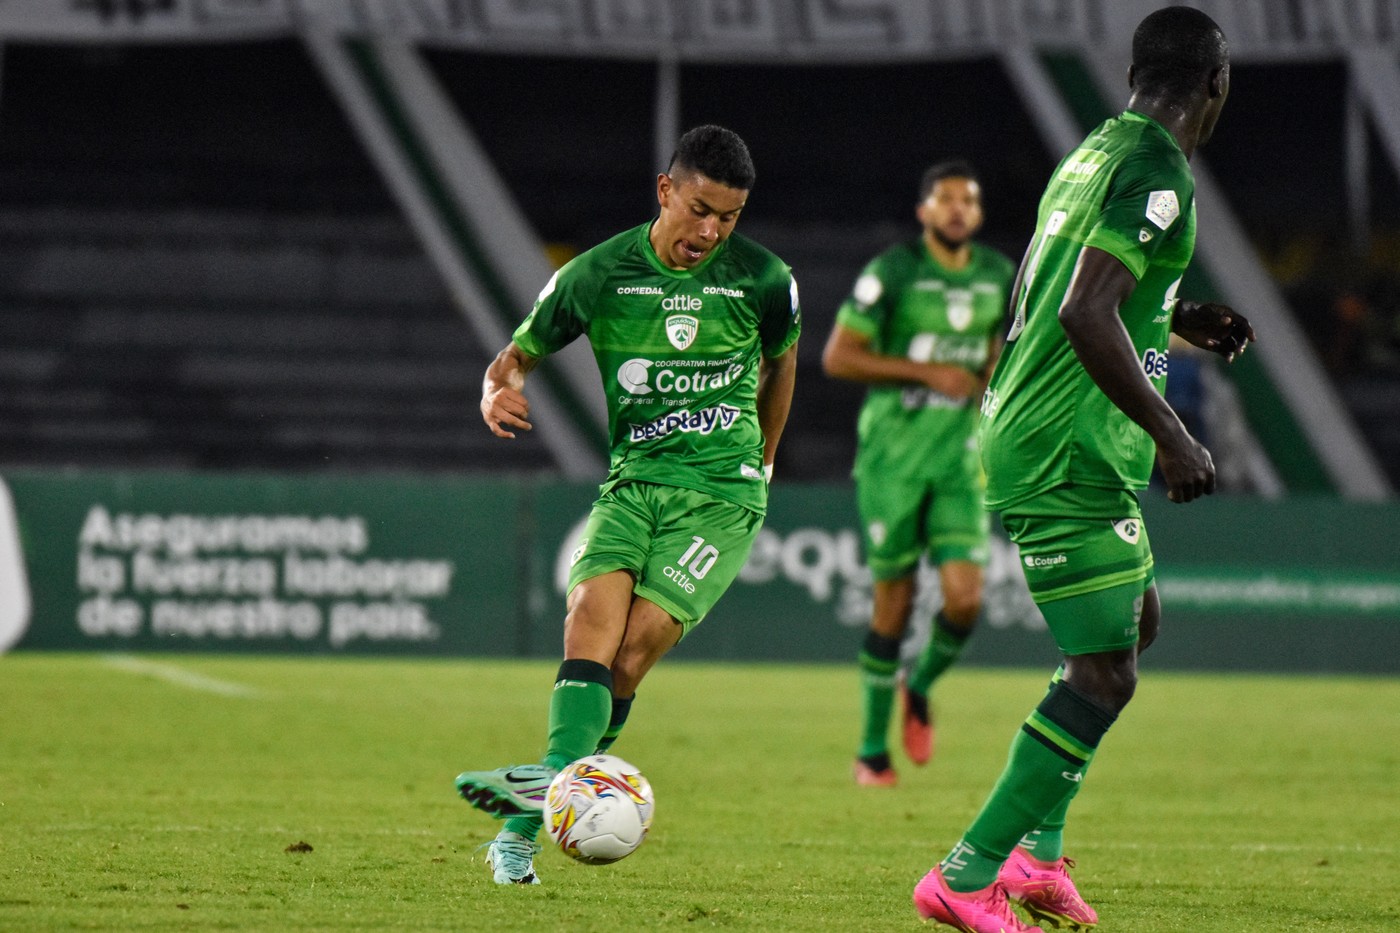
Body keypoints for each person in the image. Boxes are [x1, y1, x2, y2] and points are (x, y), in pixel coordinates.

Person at [912, 8, 1254, 932]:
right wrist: (1176, 433)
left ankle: (1036, 859)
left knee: (1131, 626)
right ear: (1215, 89)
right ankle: (967, 874)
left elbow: (1066, 281)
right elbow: (1082, 310)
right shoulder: (1157, 172)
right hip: (1067, 442)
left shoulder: (1098, 149)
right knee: (1105, 673)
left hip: (1048, 430)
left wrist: (1184, 317)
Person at [457, 125, 801, 886]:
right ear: (665, 190)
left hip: (720, 495)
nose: (711, 232)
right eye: (701, 210)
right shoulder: (600, 273)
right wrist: (497, 386)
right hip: (634, 481)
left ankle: (524, 810)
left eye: (730, 218)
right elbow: (518, 352)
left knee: (634, 649)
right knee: (589, 623)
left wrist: (767, 461)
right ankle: (535, 812)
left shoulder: (764, 278)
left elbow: (783, 361)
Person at [822, 161, 1015, 787]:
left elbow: (1001, 347)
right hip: (893, 460)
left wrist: (993, 376)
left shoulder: (997, 274)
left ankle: (921, 683)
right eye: (946, 200)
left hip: (962, 459)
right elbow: (838, 357)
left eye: (969, 200)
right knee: (893, 610)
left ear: (979, 214)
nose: (958, 209)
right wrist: (927, 373)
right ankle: (872, 753)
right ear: (924, 212)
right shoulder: (893, 272)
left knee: (965, 600)